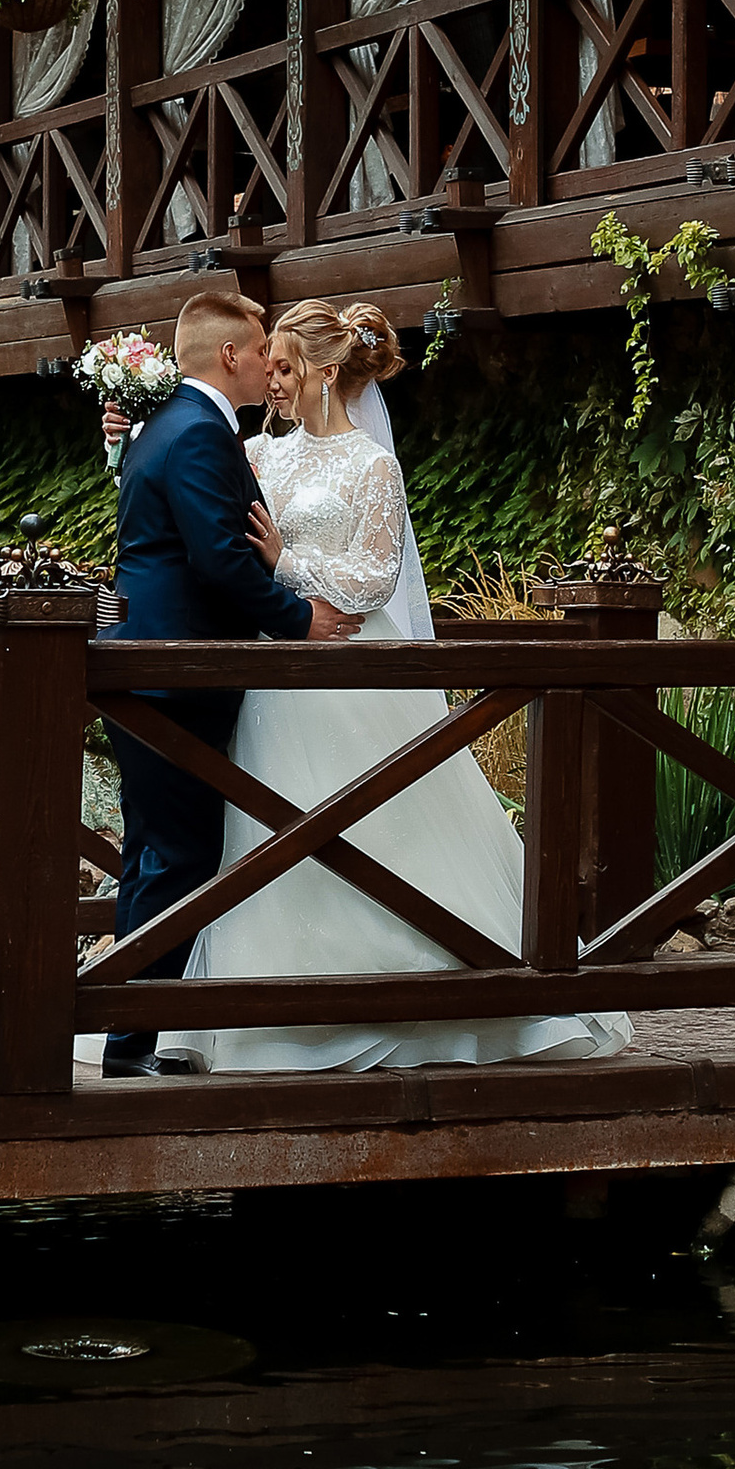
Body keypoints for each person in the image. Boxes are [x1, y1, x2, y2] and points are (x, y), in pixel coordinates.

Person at [178, 298, 631, 1074]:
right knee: (268, 832)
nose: (273, 381)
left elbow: (375, 578)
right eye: (270, 366)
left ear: (324, 372)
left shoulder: (372, 465)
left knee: (383, 825)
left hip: (361, 678)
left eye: (285, 367)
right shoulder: (260, 455)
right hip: (277, 676)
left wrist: (288, 564)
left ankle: (431, 990)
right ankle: (261, 1009)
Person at [94, 291, 363, 1081]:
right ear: (229, 358)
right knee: (178, 854)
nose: (265, 364)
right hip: (178, 672)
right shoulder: (201, 434)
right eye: (256, 350)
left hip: (144, 663)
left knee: (150, 849)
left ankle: (125, 1028)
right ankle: (131, 1040)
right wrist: (295, 621)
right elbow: (218, 557)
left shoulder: (162, 428)